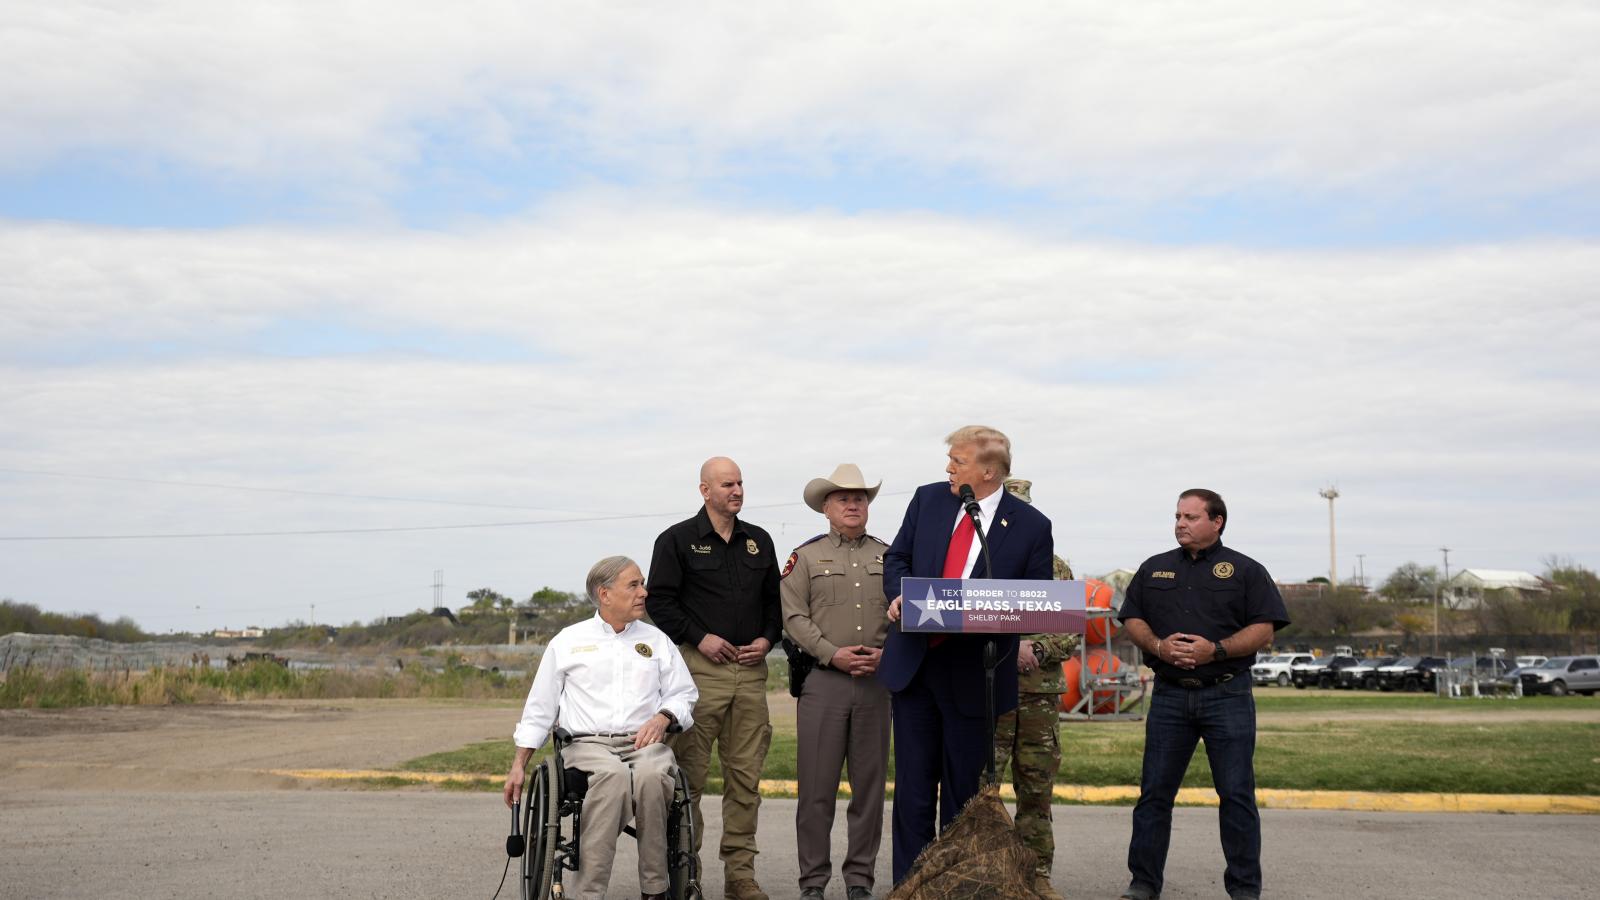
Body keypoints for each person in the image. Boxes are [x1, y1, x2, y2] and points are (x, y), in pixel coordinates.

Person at [879, 426, 1055, 884]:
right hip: (916, 667)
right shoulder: (929, 500)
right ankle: (909, 888)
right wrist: (899, 594)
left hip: (976, 673)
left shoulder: (1032, 526)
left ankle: (952, 888)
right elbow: (897, 558)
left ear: (989, 471)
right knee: (914, 793)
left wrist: (988, 609)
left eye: (957, 461)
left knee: (962, 799)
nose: (948, 468)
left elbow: (1035, 598)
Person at [1116, 489, 1290, 900]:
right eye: (1177, 515)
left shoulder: (1246, 571)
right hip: (1170, 697)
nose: (1180, 523)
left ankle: (1245, 888)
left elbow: (1264, 627)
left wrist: (1217, 649)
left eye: (1191, 517)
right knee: (1154, 794)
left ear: (1217, 522)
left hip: (1226, 695)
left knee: (1236, 795)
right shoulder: (1154, 569)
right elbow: (1132, 618)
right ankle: (1143, 883)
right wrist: (1158, 646)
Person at [502, 556, 698, 900]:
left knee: (653, 776)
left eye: (642, 584)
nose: (644, 592)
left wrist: (664, 716)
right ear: (604, 594)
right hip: (587, 746)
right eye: (633, 585)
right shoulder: (569, 641)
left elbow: (684, 694)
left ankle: (654, 888)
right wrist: (519, 764)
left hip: (643, 743)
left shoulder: (657, 641)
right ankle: (589, 893)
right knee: (614, 776)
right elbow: (540, 708)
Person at [646, 457, 782, 900]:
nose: (737, 490)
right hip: (698, 672)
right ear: (705, 490)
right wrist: (699, 638)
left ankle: (740, 876)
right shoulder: (677, 540)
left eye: (740, 482)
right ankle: (686, 871)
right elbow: (660, 604)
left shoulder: (758, 541)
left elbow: (773, 606)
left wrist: (767, 639)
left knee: (745, 779)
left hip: (751, 672)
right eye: (727, 484)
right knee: (689, 778)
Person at [780, 464, 892, 900]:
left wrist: (888, 655)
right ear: (825, 507)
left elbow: (910, 612)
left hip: (876, 685)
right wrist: (833, 654)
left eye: (860, 497)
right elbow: (793, 617)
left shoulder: (891, 555)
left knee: (868, 791)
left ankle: (860, 881)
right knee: (816, 792)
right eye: (843, 498)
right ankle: (813, 883)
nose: (852, 504)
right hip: (824, 683)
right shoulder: (804, 557)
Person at [992, 477, 1080, 900]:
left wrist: (1038, 648)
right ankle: (989, 873)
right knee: (981, 791)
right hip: (989, 693)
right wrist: (1011, 646)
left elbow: (1071, 633)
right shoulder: (980, 563)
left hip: (1039, 696)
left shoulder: (1056, 567)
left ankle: (1035, 875)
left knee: (1036, 791)